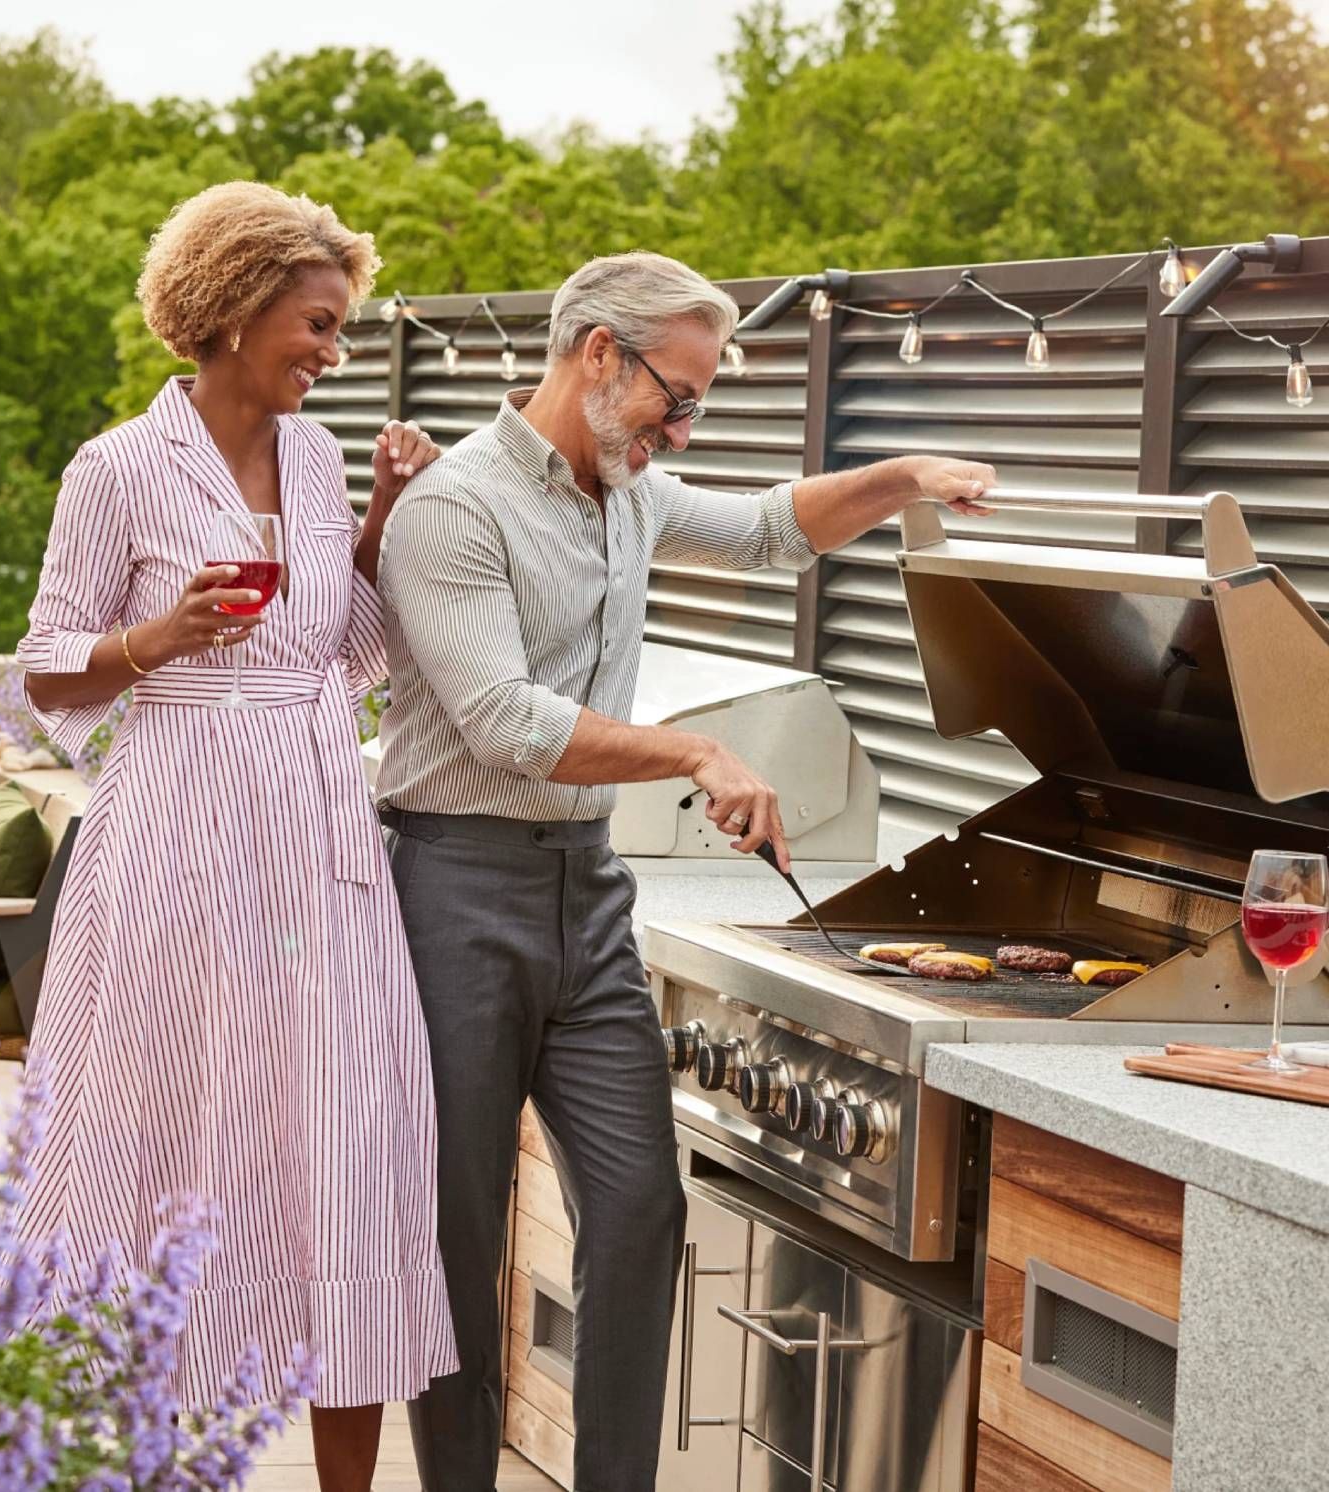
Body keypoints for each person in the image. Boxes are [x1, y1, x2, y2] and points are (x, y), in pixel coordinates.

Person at [375, 250, 997, 1492]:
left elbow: (772, 530)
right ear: (598, 355)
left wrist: (903, 475)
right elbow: (508, 721)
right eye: (681, 391)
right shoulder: (458, 505)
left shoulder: (631, 488)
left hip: (587, 893)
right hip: (452, 888)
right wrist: (698, 750)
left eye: (699, 401)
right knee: (457, 1237)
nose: (686, 420)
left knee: (641, 1205)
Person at [6, 181, 456, 1492]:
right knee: (156, 1131)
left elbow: (345, 654)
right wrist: (153, 641)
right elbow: (44, 669)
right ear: (232, 308)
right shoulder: (117, 469)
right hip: (171, 834)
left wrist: (377, 525)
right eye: (316, 324)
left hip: (317, 835)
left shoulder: (319, 460)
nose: (331, 351)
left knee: (345, 1139)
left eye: (338, 330)